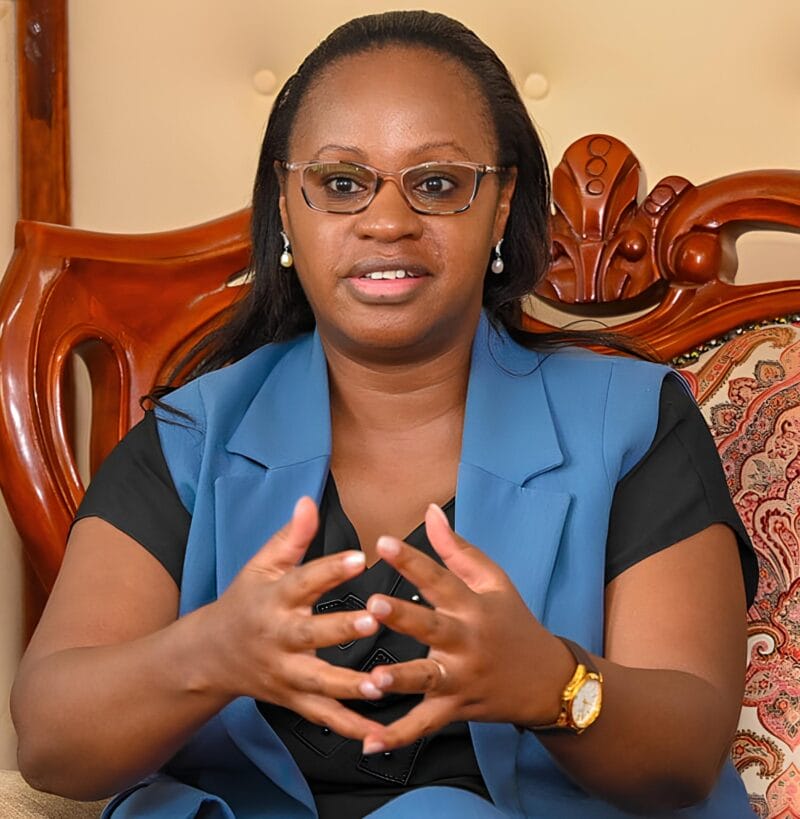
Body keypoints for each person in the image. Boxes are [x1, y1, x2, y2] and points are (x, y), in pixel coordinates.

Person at [11, 11, 758, 818]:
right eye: (340, 184)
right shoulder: (196, 435)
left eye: (436, 184)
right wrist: (210, 652)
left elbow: (686, 752)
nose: (387, 221)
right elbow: (51, 741)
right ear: (287, 207)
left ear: (501, 205)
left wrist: (551, 680)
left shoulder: (631, 425)